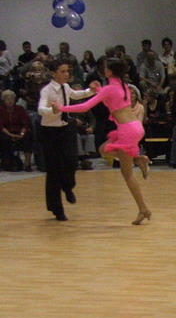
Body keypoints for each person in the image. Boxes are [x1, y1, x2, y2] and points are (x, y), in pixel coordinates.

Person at [57, 58, 152, 225]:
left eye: (106, 67)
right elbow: (111, 98)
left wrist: (62, 108)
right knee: (103, 149)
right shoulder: (123, 86)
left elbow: (85, 107)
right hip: (135, 127)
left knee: (128, 174)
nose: (104, 69)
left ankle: (143, 209)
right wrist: (98, 90)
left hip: (127, 130)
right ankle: (138, 159)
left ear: (110, 71)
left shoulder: (110, 88)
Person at [37, 60, 96, 220]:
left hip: (65, 129)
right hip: (50, 132)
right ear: (53, 73)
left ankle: (68, 186)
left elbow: (77, 95)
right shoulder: (47, 90)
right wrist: (52, 110)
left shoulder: (66, 87)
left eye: (67, 71)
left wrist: (91, 91)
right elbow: (41, 109)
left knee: (71, 162)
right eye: (62, 71)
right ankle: (57, 209)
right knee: (54, 171)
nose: (66, 74)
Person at [0, 89, 32, 171]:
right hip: (6, 133)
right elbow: (1, 126)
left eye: (11, 99)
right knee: (3, 139)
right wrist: (10, 135)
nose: (10, 101)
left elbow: (25, 123)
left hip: (19, 132)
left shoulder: (20, 109)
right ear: (4, 101)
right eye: (7, 99)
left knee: (28, 137)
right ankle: (7, 162)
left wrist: (22, 134)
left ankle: (27, 164)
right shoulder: (1, 110)